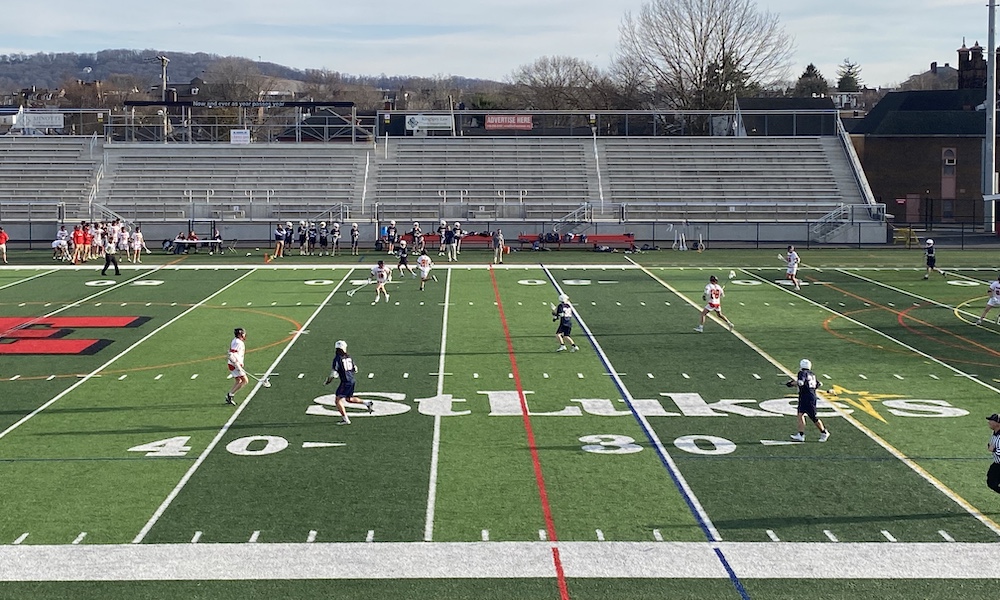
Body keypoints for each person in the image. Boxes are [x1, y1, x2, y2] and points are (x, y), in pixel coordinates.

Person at [323, 340, 374, 425]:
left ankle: (345, 419)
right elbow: (355, 369)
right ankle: (367, 403)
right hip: (352, 380)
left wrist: (328, 381)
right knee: (349, 399)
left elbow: (333, 373)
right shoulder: (349, 357)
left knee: (337, 400)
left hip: (345, 381)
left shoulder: (337, 359)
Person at [788, 359, 830, 442]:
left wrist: (791, 383)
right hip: (808, 396)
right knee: (800, 414)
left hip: (807, 397)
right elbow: (818, 384)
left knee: (813, 417)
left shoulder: (802, 373)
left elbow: (800, 383)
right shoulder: (812, 374)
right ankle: (801, 434)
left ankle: (824, 432)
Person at [225, 327, 248, 406]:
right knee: (245, 381)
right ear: (240, 334)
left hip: (233, 364)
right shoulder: (238, 342)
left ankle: (230, 395)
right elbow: (231, 354)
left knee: (239, 380)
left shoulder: (236, 341)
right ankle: (230, 395)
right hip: (234, 365)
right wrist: (237, 365)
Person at [987, 413, 1000, 494]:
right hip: (997, 464)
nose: (989, 422)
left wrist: (994, 449)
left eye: (991, 420)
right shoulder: (995, 433)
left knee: (992, 483)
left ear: (997, 423)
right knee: (991, 482)